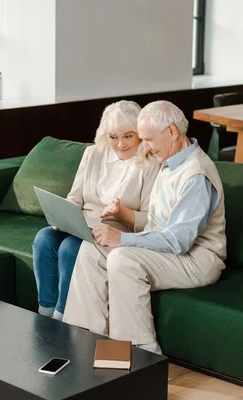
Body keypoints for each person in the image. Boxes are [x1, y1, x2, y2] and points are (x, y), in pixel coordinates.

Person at [63, 100, 227, 355]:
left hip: (197, 258)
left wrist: (122, 239)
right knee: (91, 249)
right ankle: (82, 342)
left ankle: (138, 353)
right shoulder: (171, 160)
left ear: (172, 132)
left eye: (148, 140)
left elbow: (178, 241)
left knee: (123, 260)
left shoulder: (196, 174)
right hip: (169, 250)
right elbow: (155, 221)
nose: (146, 148)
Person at [32, 100, 160, 321]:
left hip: (116, 233)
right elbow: (75, 195)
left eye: (128, 136)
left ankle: (63, 318)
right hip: (82, 224)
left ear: (139, 134)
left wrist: (121, 213)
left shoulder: (150, 164)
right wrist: (63, 214)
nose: (120, 144)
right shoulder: (93, 154)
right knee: (44, 238)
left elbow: (149, 219)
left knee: (71, 248)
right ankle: (45, 314)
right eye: (113, 137)